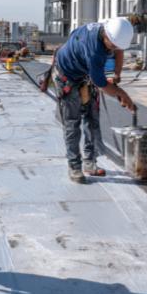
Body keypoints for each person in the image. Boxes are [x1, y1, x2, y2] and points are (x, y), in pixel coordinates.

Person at [51, 18, 135, 184]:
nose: (114, 48)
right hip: (66, 75)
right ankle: (74, 166)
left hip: (84, 73)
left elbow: (118, 50)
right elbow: (101, 84)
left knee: (92, 119)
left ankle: (90, 162)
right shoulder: (94, 50)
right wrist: (122, 94)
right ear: (105, 36)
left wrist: (116, 74)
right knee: (73, 122)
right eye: (111, 45)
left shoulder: (110, 31)